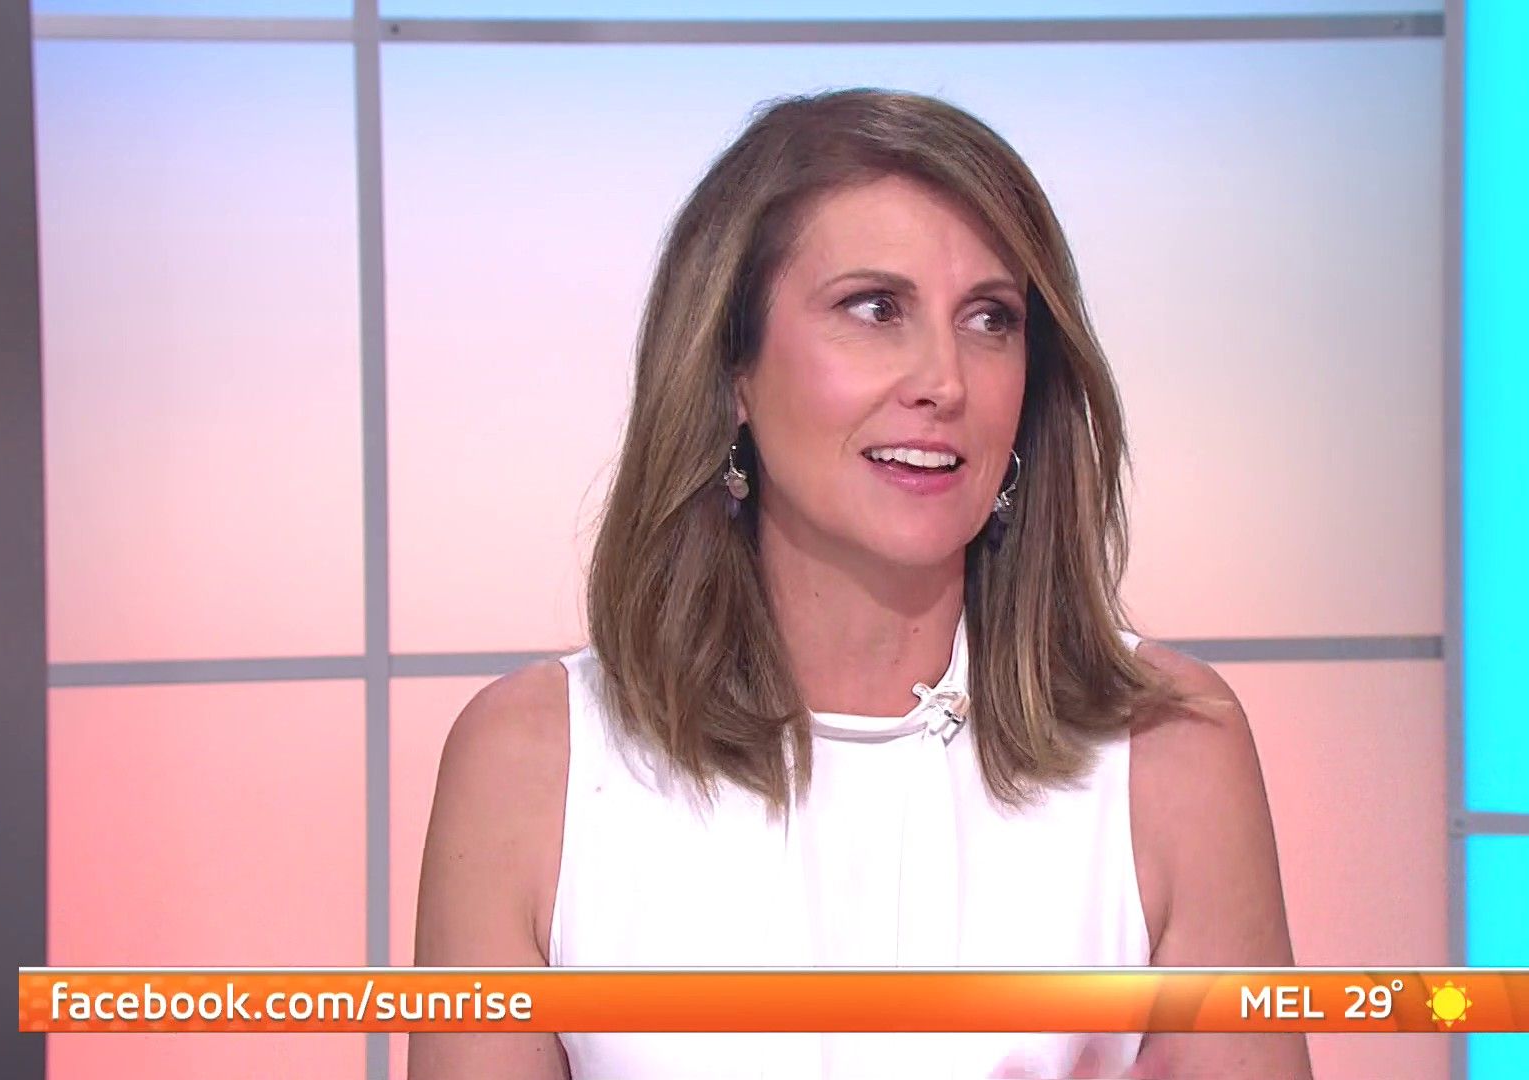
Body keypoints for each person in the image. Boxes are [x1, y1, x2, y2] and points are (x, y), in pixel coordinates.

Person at [410, 88, 1309, 1080]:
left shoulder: (1169, 753)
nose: (944, 381)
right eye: (876, 308)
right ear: (732, 371)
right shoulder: (532, 766)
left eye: (990, 319)